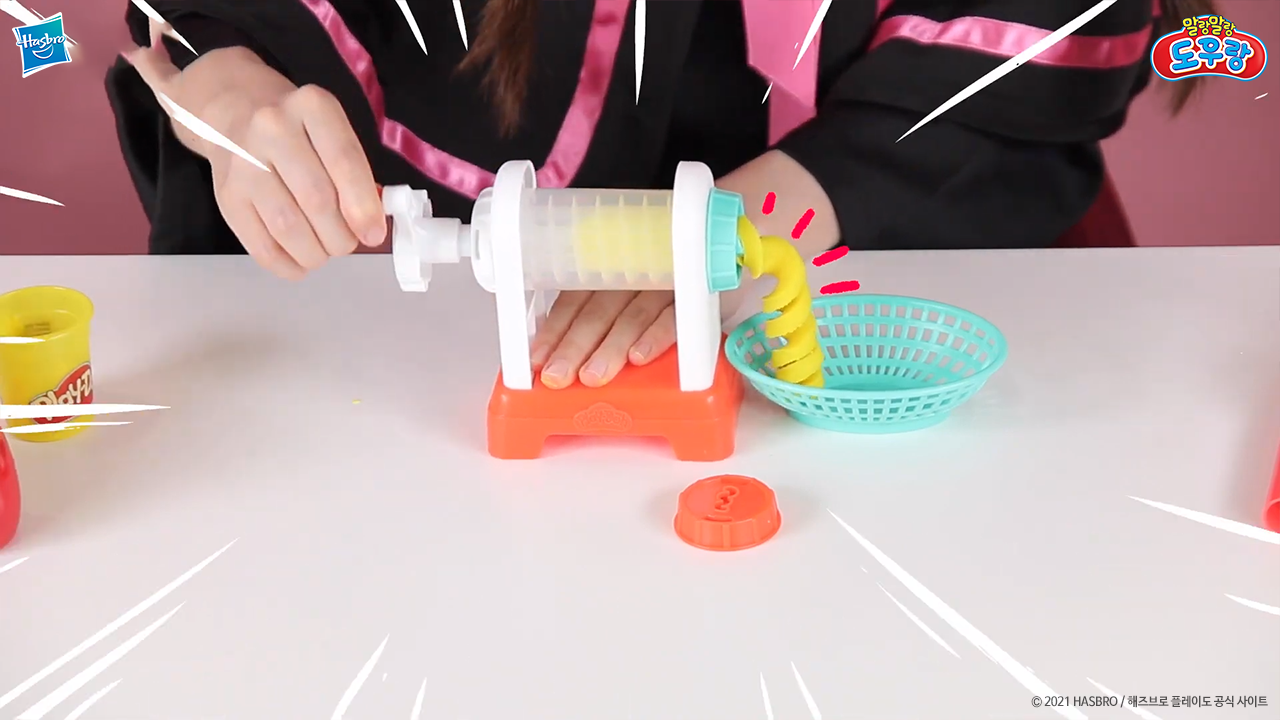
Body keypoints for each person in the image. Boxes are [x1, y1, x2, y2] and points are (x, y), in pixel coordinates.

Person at [107, 0, 1211, 389]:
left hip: (903, 213)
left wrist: (757, 221)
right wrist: (225, 76)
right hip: (409, 348)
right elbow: (206, 28)